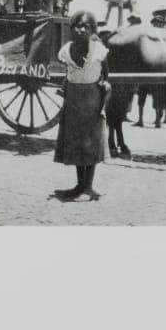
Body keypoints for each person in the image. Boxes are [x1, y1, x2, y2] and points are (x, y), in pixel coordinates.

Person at [51, 11, 112, 202]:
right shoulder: (67, 50)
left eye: (86, 26)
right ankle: (79, 184)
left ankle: (88, 187)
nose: (81, 29)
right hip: (74, 99)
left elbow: (106, 73)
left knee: (91, 142)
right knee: (77, 141)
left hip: (92, 99)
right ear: (71, 29)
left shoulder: (100, 51)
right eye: (77, 25)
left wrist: (102, 89)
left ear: (93, 30)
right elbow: (68, 73)